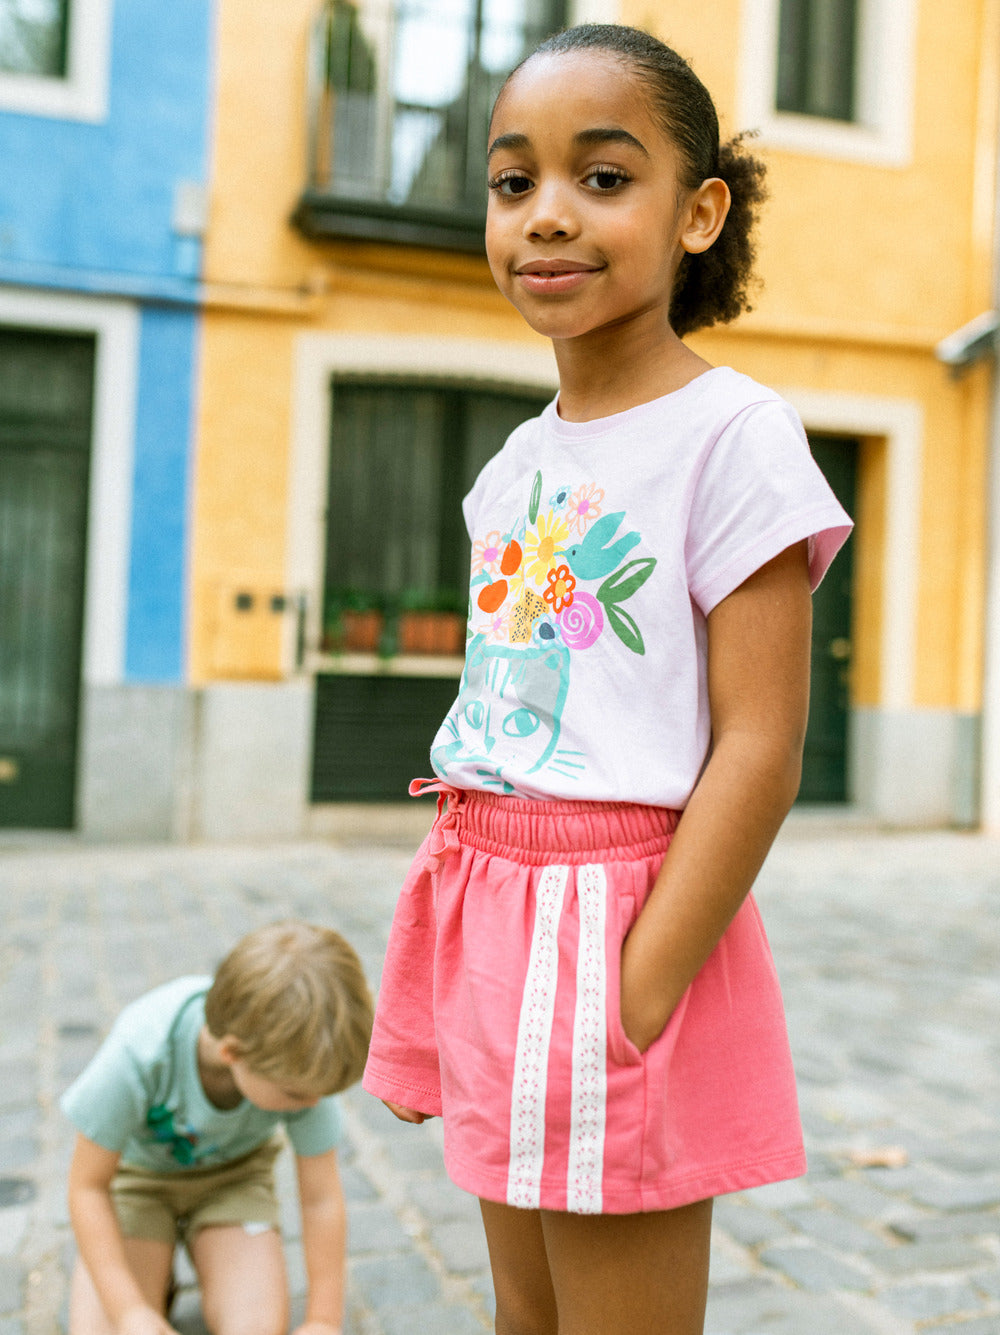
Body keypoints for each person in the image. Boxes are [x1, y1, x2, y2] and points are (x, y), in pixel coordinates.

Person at [362, 20, 856, 1335]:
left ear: (698, 213)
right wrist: (439, 975)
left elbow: (761, 742)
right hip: (490, 907)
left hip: (620, 919)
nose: (548, 217)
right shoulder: (513, 465)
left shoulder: (733, 435)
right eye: (514, 181)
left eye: (603, 176)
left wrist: (640, 982)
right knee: (525, 1313)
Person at [62, 921, 373, 1335]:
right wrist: (130, 1312)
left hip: (234, 1181)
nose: (314, 1104)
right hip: (136, 1183)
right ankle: (153, 1273)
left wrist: (323, 1319)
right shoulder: (139, 1051)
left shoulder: (302, 1068)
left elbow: (320, 1199)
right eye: (297, 1095)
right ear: (232, 1053)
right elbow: (87, 1187)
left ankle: (182, 1262)